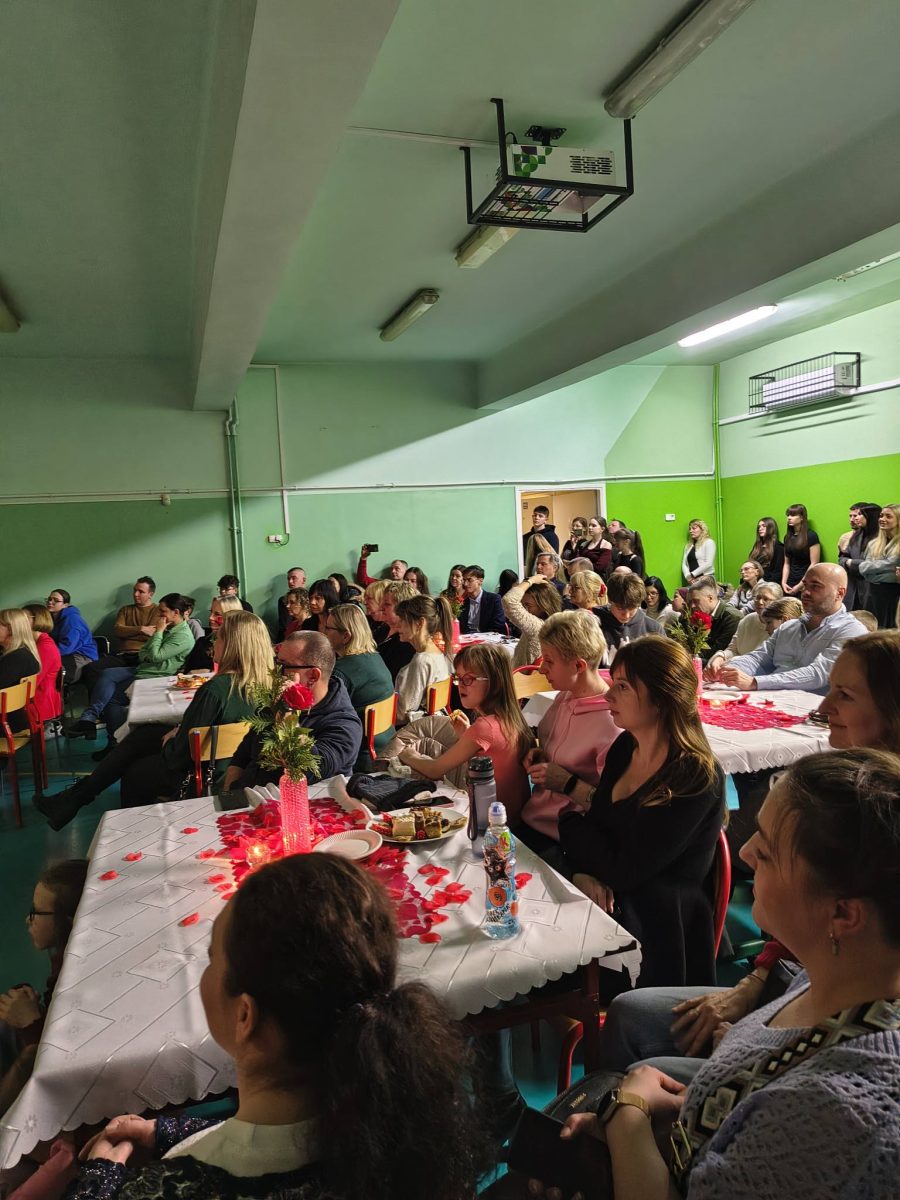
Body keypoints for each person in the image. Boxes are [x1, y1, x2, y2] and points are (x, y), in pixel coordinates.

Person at [545, 748, 900, 1200]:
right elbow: (745, 1122)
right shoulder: (833, 979)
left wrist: (627, 1113)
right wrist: (667, 1121)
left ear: (844, 915)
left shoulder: (840, 1117)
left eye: (767, 851)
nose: (745, 852)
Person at [65, 854, 488, 1200]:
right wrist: (170, 1132)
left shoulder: (166, 1190)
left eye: (212, 959)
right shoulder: (409, 1133)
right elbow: (283, 1139)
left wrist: (99, 1178)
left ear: (245, 1016)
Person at [594, 632, 900, 1091]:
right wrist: (757, 980)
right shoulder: (851, 787)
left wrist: (750, 1040)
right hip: (799, 983)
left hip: (821, 1007)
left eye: (845, 694)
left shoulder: (875, 816)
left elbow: (860, 995)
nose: (823, 706)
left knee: (638, 1055)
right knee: (628, 1014)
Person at [559, 636, 724, 988]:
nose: (608, 695)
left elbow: (624, 869)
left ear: (661, 699)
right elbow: (591, 826)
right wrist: (581, 870)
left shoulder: (693, 776)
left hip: (656, 937)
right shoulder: (625, 747)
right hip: (612, 905)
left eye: (622, 687)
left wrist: (574, 834)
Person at [37, 614, 271, 828]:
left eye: (218, 638)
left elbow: (179, 756)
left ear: (232, 645)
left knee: (133, 770)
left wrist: (171, 741)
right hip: (234, 765)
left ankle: (132, 829)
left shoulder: (215, 690)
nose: (213, 644)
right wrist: (178, 732)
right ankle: (72, 800)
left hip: (204, 773)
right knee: (144, 735)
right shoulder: (267, 685)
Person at [392, 643, 532, 820]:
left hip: (492, 820)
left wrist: (407, 754)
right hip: (513, 815)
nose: (460, 685)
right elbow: (489, 760)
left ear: (495, 683)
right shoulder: (513, 718)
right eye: (458, 678)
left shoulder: (484, 727)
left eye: (469, 679)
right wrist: (465, 735)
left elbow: (435, 770)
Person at [519, 611, 617, 853]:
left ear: (578, 665)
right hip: (533, 820)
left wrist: (566, 782)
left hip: (564, 839)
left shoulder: (612, 724)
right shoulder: (564, 696)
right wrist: (542, 753)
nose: (541, 669)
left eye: (549, 661)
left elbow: (613, 811)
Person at [0, 860, 88, 1115]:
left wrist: (31, 1025)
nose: (28, 920)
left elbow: (63, 1061)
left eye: (36, 912)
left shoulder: (74, 972)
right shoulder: (68, 957)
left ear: (68, 921)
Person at [224, 632, 362, 790]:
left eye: (284, 666)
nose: (275, 673)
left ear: (313, 676)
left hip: (295, 803)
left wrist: (286, 716)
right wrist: (230, 793)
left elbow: (307, 770)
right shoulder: (277, 702)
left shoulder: (345, 725)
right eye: (276, 663)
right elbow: (242, 756)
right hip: (245, 796)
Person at [714, 564, 869, 694]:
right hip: (772, 703)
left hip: (817, 714)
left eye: (815, 586)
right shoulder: (788, 627)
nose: (806, 592)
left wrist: (756, 682)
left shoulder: (853, 632)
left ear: (840, 593)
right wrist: (726, 670)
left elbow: (817, 674)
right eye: (805, 585)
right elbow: (758, 658)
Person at [65, 594, 195, 743]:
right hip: (143, 668)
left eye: (163, 611)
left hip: (155, 676)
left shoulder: (183, 636)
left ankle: (115, 741)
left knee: (111, 699)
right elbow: (143, 651)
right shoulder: (168, 628)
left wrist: (158, 632)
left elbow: (155, 656)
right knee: (106, 673)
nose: (160, 615)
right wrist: (149, 652)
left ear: (176, 612)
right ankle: (89, 719)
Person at [323, 604, 395, 766]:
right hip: (387, 743)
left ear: (346, 636)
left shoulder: (341, 673)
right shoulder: (374, 657)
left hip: (362, 756)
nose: (323, 632)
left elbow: (324, 717)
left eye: (328, 628)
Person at [82, 577, 161, 691]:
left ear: (150, 594)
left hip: (142, 657)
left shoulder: (158, 611)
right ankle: (99, 701)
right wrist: (141, 629)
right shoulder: (125, 610)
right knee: (91, 668)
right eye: (135, 590)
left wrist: (128, 632)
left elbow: (152, 635)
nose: (136, 594)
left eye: (141, 592)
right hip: (122, 655)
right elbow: (118, 631)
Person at [393, 594, 454, 723]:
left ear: (420, 623)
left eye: (403, 619)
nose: (398, 625)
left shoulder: (422, 661)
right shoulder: (438, 653)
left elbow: (402, 714)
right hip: (434, 723)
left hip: (416, 729)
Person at [705, 582, 786, 674]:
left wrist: (736, 661)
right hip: (737, 670)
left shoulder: (782, 626)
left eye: (766, 599)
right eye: (757, 597)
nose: (760, 602)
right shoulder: (747, 620)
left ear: (778, 602)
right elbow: (733, 650)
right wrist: (720, 657)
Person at [596, 573, 663, 659]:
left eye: (632, 608)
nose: (626, 615)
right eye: (620, 608)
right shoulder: (593, 620)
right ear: (610, 600)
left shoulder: (654, 629)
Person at [501, 576, 564, 667]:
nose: (524, 610)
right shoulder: (548, 624)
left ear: (544, 605)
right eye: (523, 605)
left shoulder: (538, 626)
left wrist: (531, 580)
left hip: (522, 675)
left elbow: (509, 601)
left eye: (528, 605)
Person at [0, 609, 42, 733]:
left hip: (7, 723)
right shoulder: (22, 653)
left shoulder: (17, 658)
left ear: (11, 629)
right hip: (15, 720)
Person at [21, 604, 63, 725]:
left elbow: (34, 680)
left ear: (38, 620)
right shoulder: (35, 643)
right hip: (34, 698)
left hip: (39, 702)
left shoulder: (45, 646)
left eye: (24, 618)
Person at [859, 503, 900, 628]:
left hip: (894, 596)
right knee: (870, 631)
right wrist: (889, 571)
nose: (882, 519)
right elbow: (864, 570)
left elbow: (894, 564)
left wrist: (873, 571)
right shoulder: (873, 544)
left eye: (888, 516)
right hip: (872, 595)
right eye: (881, 515)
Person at [46, 589, 97, 682]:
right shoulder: (51, 618)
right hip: (65, 653)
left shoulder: (72, 620)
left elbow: (67, 647)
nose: (50, 602)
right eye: (49, 599)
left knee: (48, 669)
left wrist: (46, 655)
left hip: (81, 656)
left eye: (56, 600)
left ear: (65, 605)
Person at [838, 502, 881, 610]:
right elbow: (842, 557)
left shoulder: (881, 538)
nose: (855, 518)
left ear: (870, 517)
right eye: (852, 516)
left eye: (860, 514)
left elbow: (874, 565)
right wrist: (847, 562)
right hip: (853, 587)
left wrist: (852, 563)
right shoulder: (856, 535)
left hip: (871, 588)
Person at [183, 595, 243, 672]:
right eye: (211, 612)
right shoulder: (203, 642)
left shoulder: (243, 644)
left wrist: (210, 672)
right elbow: (188, 672)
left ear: (231, 616)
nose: (210, 617)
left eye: (217, 614)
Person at [687, 578, 741, 663]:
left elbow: (719, 650)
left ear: (710, 598)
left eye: (696, 601)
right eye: (691, 602)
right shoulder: (704, 614)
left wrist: (690, 658)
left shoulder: (732, 617)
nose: (692, 606)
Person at [376, 580, 417, 680]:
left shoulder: (408, 642)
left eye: (387, 604)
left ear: (401, 608)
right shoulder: (383, 628)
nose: (381, 607)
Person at [782, 502, 821, 595]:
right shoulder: (787, 537)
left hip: (806, 581)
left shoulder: (811, 535)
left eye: (793, 515)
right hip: (790, 581)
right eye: (788, 515)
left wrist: (800, 585)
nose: (789, 518)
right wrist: (783, 582)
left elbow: (814, 563)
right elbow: (787, 563)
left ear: (802, 517)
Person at [459, 565, 508, 635]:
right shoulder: (462, 602)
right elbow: (459, 626)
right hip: (466, 637)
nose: (465, 584)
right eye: (464, 580)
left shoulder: (493, 599)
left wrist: (480, 636)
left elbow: (498, 625)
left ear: (480, 581)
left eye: (469, 580)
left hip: (487, 637)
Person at [522, 504, 559, 574]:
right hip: (527, 571)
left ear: (546, 520)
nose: (536, 518)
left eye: (540, 516)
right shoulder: (525, 537)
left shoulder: (552, 536)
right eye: (535, 515)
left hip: (544, 572)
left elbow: (554, 556)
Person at [748, 516, 785, 585]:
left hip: (768, 585)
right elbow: (749, 564)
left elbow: (777, 572)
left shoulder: (779, 547)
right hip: (752, 583)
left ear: (771, 528)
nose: (760, 528)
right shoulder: (757, 546)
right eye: (759, 526)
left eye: (764, 526)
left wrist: (766, 585)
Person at [276, 566, 307, 638]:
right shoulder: (283, 600)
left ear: (304, 580)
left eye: (294, 578)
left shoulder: (312, 599)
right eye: (288, 579)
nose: (290, 581)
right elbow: (284, 626)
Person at [682, 519, 716, 583]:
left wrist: (692, 574)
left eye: (694, 528)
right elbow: (684, 564)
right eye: (690, 529)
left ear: (702, 529)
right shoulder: (688, 546)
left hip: (706, 578)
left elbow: (709, 563)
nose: (691, 531)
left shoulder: (709, 542)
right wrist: (688, 576)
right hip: (692, 580)